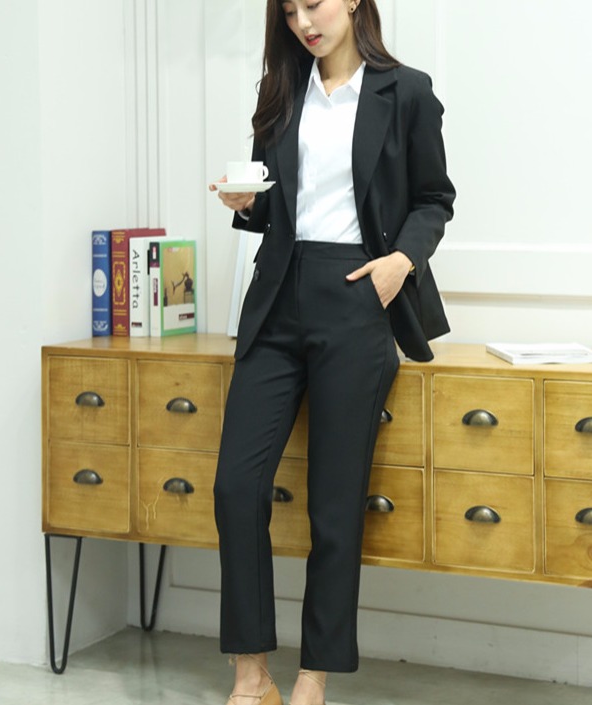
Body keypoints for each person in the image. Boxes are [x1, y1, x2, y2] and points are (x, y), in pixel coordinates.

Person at [209, 1, 455, 703]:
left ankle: (313, 678)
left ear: (352, 0)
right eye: (289, 10)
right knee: (236, 487)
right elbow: (276, 205)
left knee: (335, 504)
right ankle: (252, 675)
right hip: (278, 298)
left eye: (312, 3)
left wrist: (399, 263)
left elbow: (434, 199)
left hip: (357, 297)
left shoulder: (406, 91)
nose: (302, 22)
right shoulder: (283, 92)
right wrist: (245, 203)